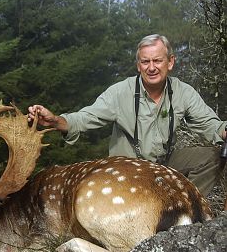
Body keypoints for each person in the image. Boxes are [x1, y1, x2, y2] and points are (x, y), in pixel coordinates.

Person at [28, 34, 227, 211]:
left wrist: (224, 130)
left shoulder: (183, 92)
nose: (151, 67)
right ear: (138, 65)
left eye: (157, 60)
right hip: (128, 172)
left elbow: (210, 124)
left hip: (164, 164)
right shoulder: (120, 92)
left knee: (213, 157)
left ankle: (183, 209)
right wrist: (56, 121)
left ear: (170, 62)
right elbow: (85, 117)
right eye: (145, 61)